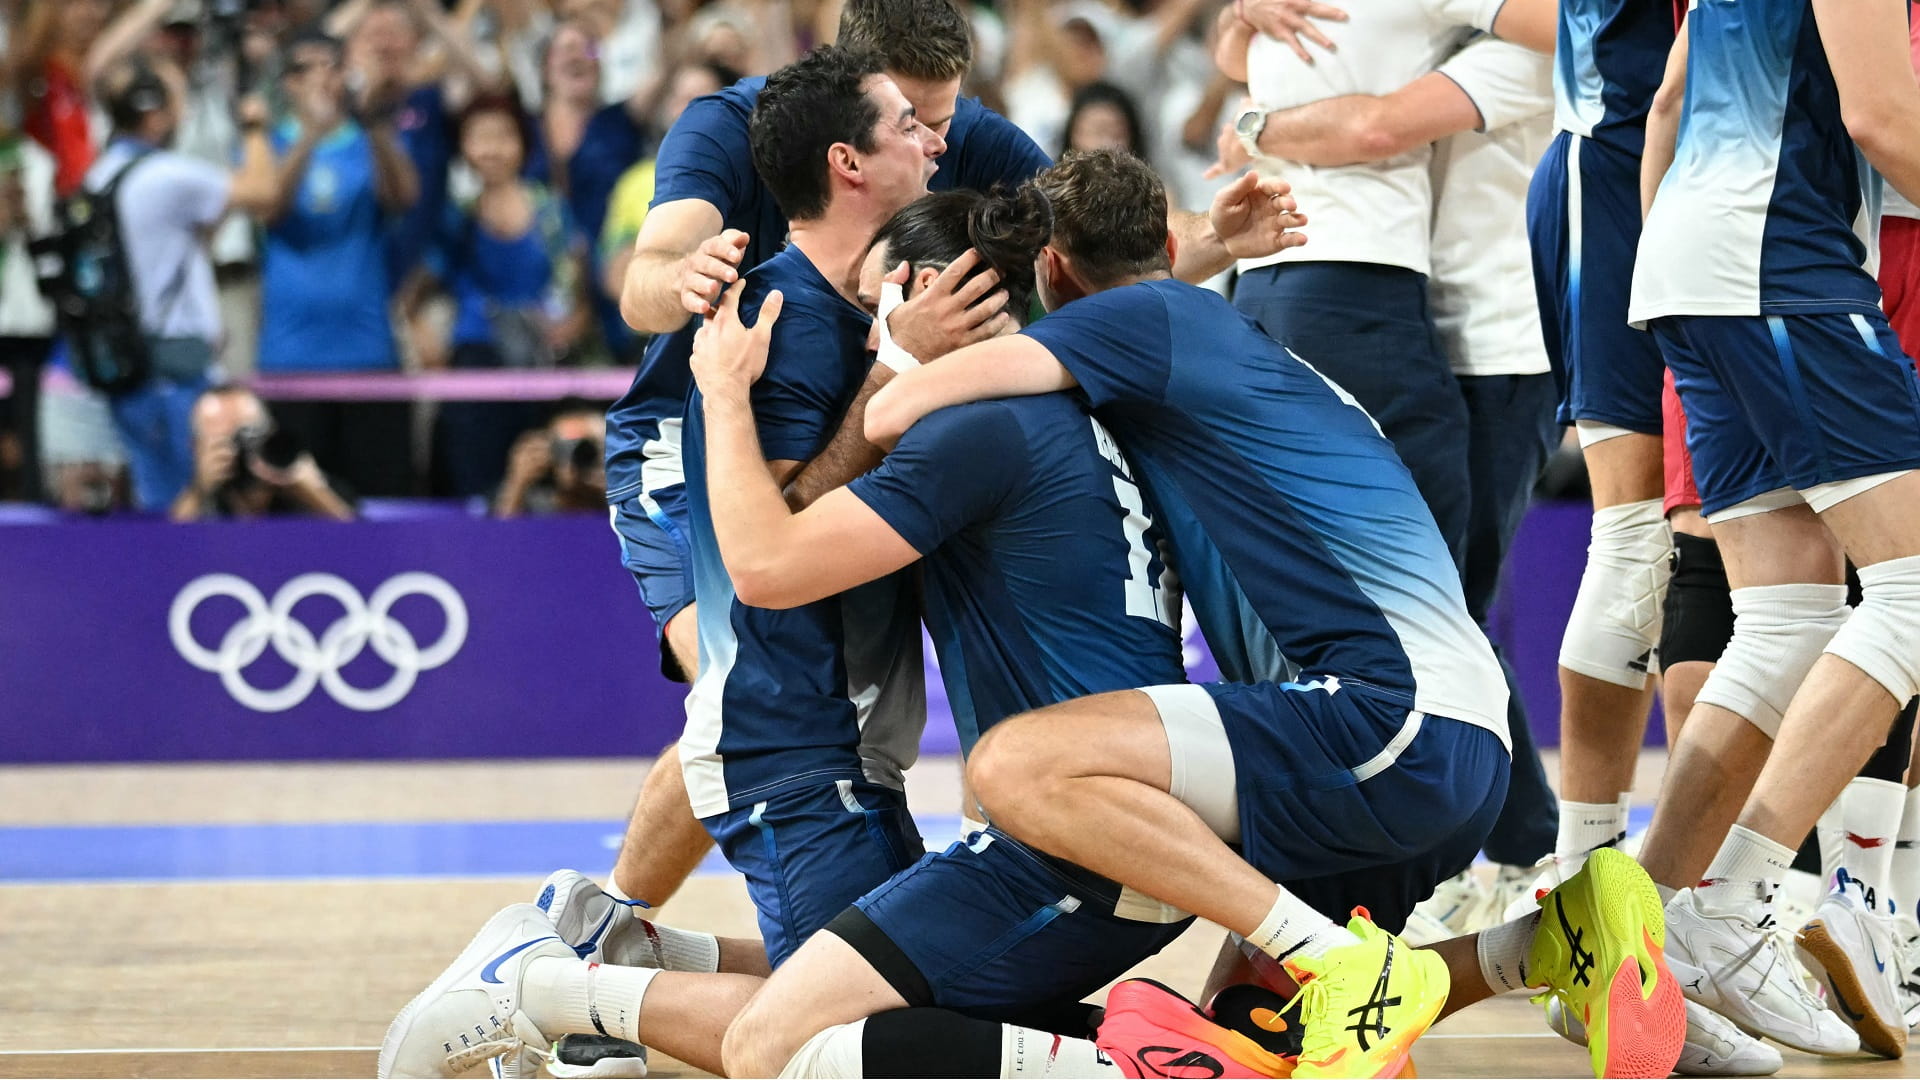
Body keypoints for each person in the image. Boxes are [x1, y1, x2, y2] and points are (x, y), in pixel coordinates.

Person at [860, 148, 1685, 1080]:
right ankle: (1553, 938)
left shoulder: (1136, 322)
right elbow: (1147, 290)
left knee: (1020, 762)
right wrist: (1212, 245)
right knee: (1251, 1034)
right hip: (1462, 736)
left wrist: (898, 346)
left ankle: (1339, 959)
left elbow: (897, 416)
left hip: (1384, 716)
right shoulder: (1206, 330)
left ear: (1051, 269)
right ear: (1165, 242)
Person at [379, 181, 1203, 1080]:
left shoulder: (966, 427)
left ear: (927, 289)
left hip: (1070, 820)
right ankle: (554, 980)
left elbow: (774, 551)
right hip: (1098, 811)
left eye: (867, 308)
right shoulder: (1083, 393)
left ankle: (592, 965)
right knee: (849, 1029)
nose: (855, 338)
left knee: (880, 1014)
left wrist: (739, 389)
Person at [600, 0, 1303, 920]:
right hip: (698, 428)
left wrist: (1214, 238)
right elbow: (644, 276)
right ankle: (605, 929)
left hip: (873, 408)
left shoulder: (965, 133)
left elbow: (1098, 253)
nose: (940, 142)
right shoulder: (734, 128)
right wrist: (684, 283)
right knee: (748, 689)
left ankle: (968, 893)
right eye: (917, 120)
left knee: (855, 696)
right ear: (864, 106)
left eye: (946, 116)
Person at [1627, 0, 1920, 1060]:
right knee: (1915, 590)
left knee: (1786, 615)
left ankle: (1640, 924)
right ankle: (1735, 899)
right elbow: (1884, 118)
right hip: (1777, 262)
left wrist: (1683, 262)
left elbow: (1666, 102)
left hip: (1689, 266)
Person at [81, 59, 274, 511]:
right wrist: (253, 127)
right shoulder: (166, 175)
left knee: (158, 502)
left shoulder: (100, 175)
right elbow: (263, 191)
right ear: (155, 115)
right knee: (196, 497)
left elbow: (196, 235)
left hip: (126, 364)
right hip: (177, 366)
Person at [253, 29, 419, 498]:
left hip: (367, 350)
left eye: (332, 65)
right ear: (287, 83)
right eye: (308, 68)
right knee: (295, 500)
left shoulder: (368, 140)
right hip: (290, 356)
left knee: (380, 495)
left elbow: (404, 196)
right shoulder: (269, 143)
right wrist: (310, 131)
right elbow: (269, 206)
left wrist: (373, 125)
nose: (322, 78)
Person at [401, 92, 588, 498]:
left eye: (503, 137)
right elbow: (411, 295)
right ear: (463, 149)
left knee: (546, 484)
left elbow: (579, 289)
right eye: (479, 138)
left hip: (541, 368)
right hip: (475, 366)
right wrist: (423, 336)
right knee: (478, 485)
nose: (492, 150)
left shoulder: (552, 210)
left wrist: (571, 324)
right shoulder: (457, 214)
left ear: (523, 143)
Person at [169, 384, 354, 522]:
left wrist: (314, 493)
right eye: (224, 442)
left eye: (249, 436)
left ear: (271, 433)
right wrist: (199, 491)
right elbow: (164, 555)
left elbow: (363, 547)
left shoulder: (302, 483)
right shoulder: (198, 503)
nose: (240, 450)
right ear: (196, 448)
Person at [492, 399, 606, 518]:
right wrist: (517, 485)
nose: (575, 456)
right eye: (563, 447)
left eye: (585, 449)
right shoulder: (534, 507)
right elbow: (502, 534)